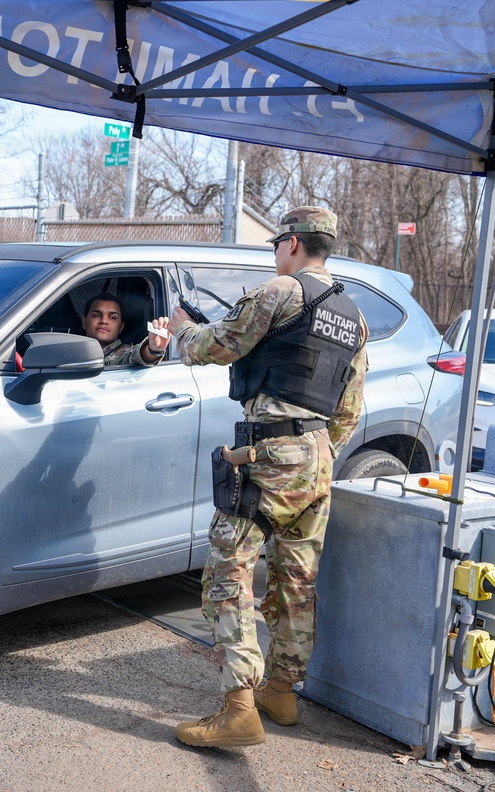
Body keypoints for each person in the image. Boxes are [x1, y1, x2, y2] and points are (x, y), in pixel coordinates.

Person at [164, 206, 368, 748]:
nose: (275, 253)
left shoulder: (279, 293)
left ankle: (237, 708)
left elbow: (216, 347)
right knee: (297, 581)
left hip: (270, 454)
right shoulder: (354, 317)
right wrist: (315, 451)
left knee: (226, 575)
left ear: (294, 244)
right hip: (319, 457)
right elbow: (349, 409)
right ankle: (281, 691)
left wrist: (183, 332)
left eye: (278, 244)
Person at [81, 292, 167, 365]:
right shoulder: (73, 350)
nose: (104, 321)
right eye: (96, 315)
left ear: (121, 327)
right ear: (84, 322)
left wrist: (154, 349)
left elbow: (137, 355)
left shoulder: (123, 353)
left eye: (112, 317)